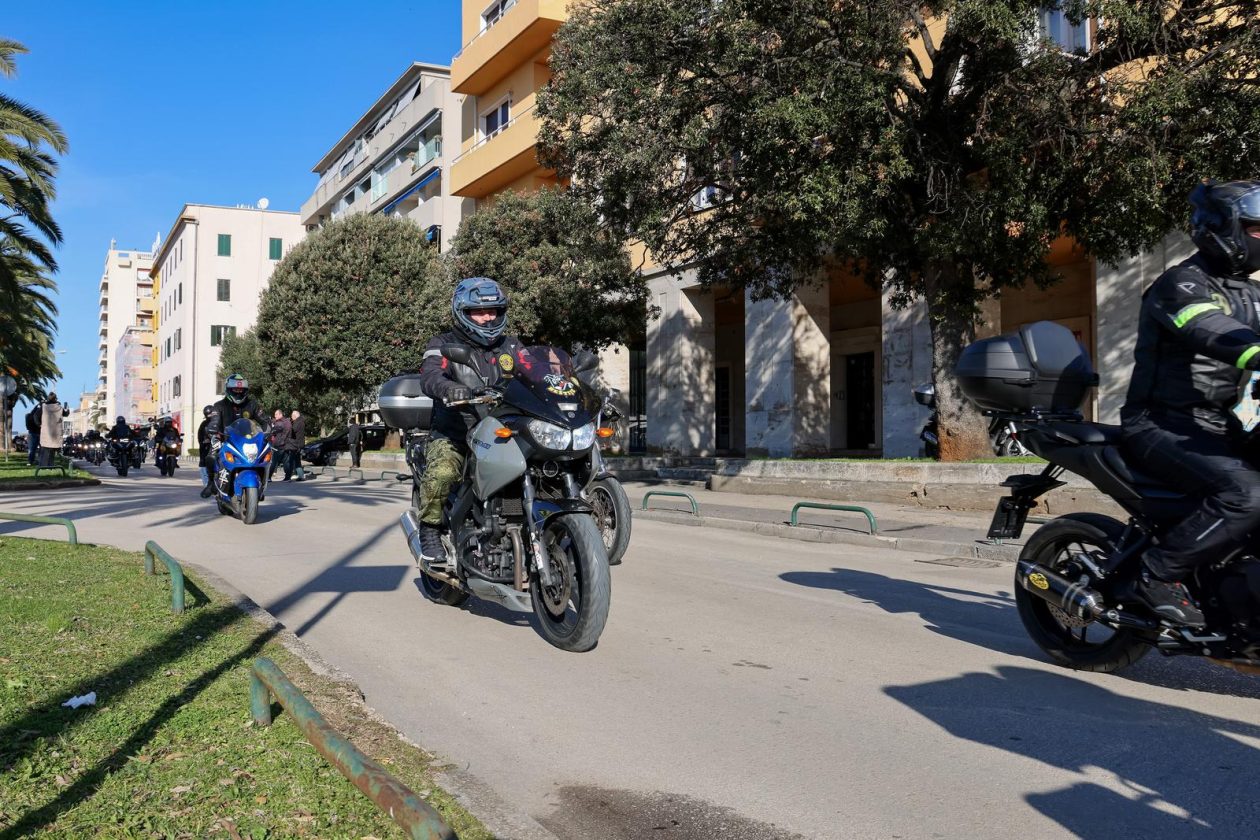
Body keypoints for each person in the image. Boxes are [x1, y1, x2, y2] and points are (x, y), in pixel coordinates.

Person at [1120, 179, 1260, 628]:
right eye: (1258, 229)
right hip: (1160, 424)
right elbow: (1207, 327)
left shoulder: (1252, 293)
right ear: (1223, 228)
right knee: (1248, 495)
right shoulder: (1180, 284)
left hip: (1217, 423)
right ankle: (1157, 573)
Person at [416, 277, 524, 564]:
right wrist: (448, 387)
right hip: (456, 432)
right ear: (463, 313)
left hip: (503, 431)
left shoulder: (512, 347)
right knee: (442, 473)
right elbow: (430, 376)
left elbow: (534, 373)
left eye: (494, 311)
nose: (488, 318)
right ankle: (429, 528)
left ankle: (519, 524)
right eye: (479, 311)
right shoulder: (443, 343)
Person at [204, 374, 268, 493]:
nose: (238, 393)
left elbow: (264, 420)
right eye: (235, 390)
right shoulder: (219, 406)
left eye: (241, 390)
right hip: (225, 439)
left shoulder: (252, 404)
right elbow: (215, 420)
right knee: (211, 455)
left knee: (266, 453)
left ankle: (262, 482)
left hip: (247, 440)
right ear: (228, 390)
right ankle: (211, 482)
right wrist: (213, 428)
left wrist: (269, 429)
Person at [38, 393, 67, 467]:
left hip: (46, 432)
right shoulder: (60, 408)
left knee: (45, 451)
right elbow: (66, 413)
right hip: (56, 433)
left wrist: (39, 424)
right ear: (56, 399)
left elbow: (36, 416)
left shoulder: (43, 407)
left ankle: (43, 466)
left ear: (48, 398)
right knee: (52, 451)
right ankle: (51, 465)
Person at [268, 409, 291, 480]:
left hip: (279, 444)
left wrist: (271, 431)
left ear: (280, 414)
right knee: (286, 461)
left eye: (276, 414)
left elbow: (273, 431)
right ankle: (287, 477)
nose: (275, 416)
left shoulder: (279, 423)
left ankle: (268, 477)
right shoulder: (287, 421)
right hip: (286, 444)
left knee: (273, 461)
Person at [197, 405, 214, 496]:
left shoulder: (220, 421)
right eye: (208, 414)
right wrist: (203, 441)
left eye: (211, 413)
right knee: (203, 462)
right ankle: (207, 484)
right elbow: (200, 436)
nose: (209, 416)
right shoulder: (204, 424)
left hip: (220, 445)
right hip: (207, 446)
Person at [285, 409, 306, 481]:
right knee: (297, 461)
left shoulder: (298, 422)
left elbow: (292, 431)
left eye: (292, 416)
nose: (291, 417)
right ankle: (301, 476)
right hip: (298, 444)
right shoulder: (300, 421)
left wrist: (289, 425)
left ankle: (288, 477)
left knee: (291, 461)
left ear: (295, 416)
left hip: (296, 445)